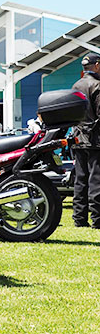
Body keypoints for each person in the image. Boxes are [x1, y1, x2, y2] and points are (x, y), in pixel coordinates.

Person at [70, 52, 100, 228]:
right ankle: (98, 219)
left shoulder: (75, 85)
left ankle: (79, 219)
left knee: (80, 179)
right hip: (95, 139)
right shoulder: (97, 85)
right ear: (97, 65)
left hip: (78, 138)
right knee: (96, 179)